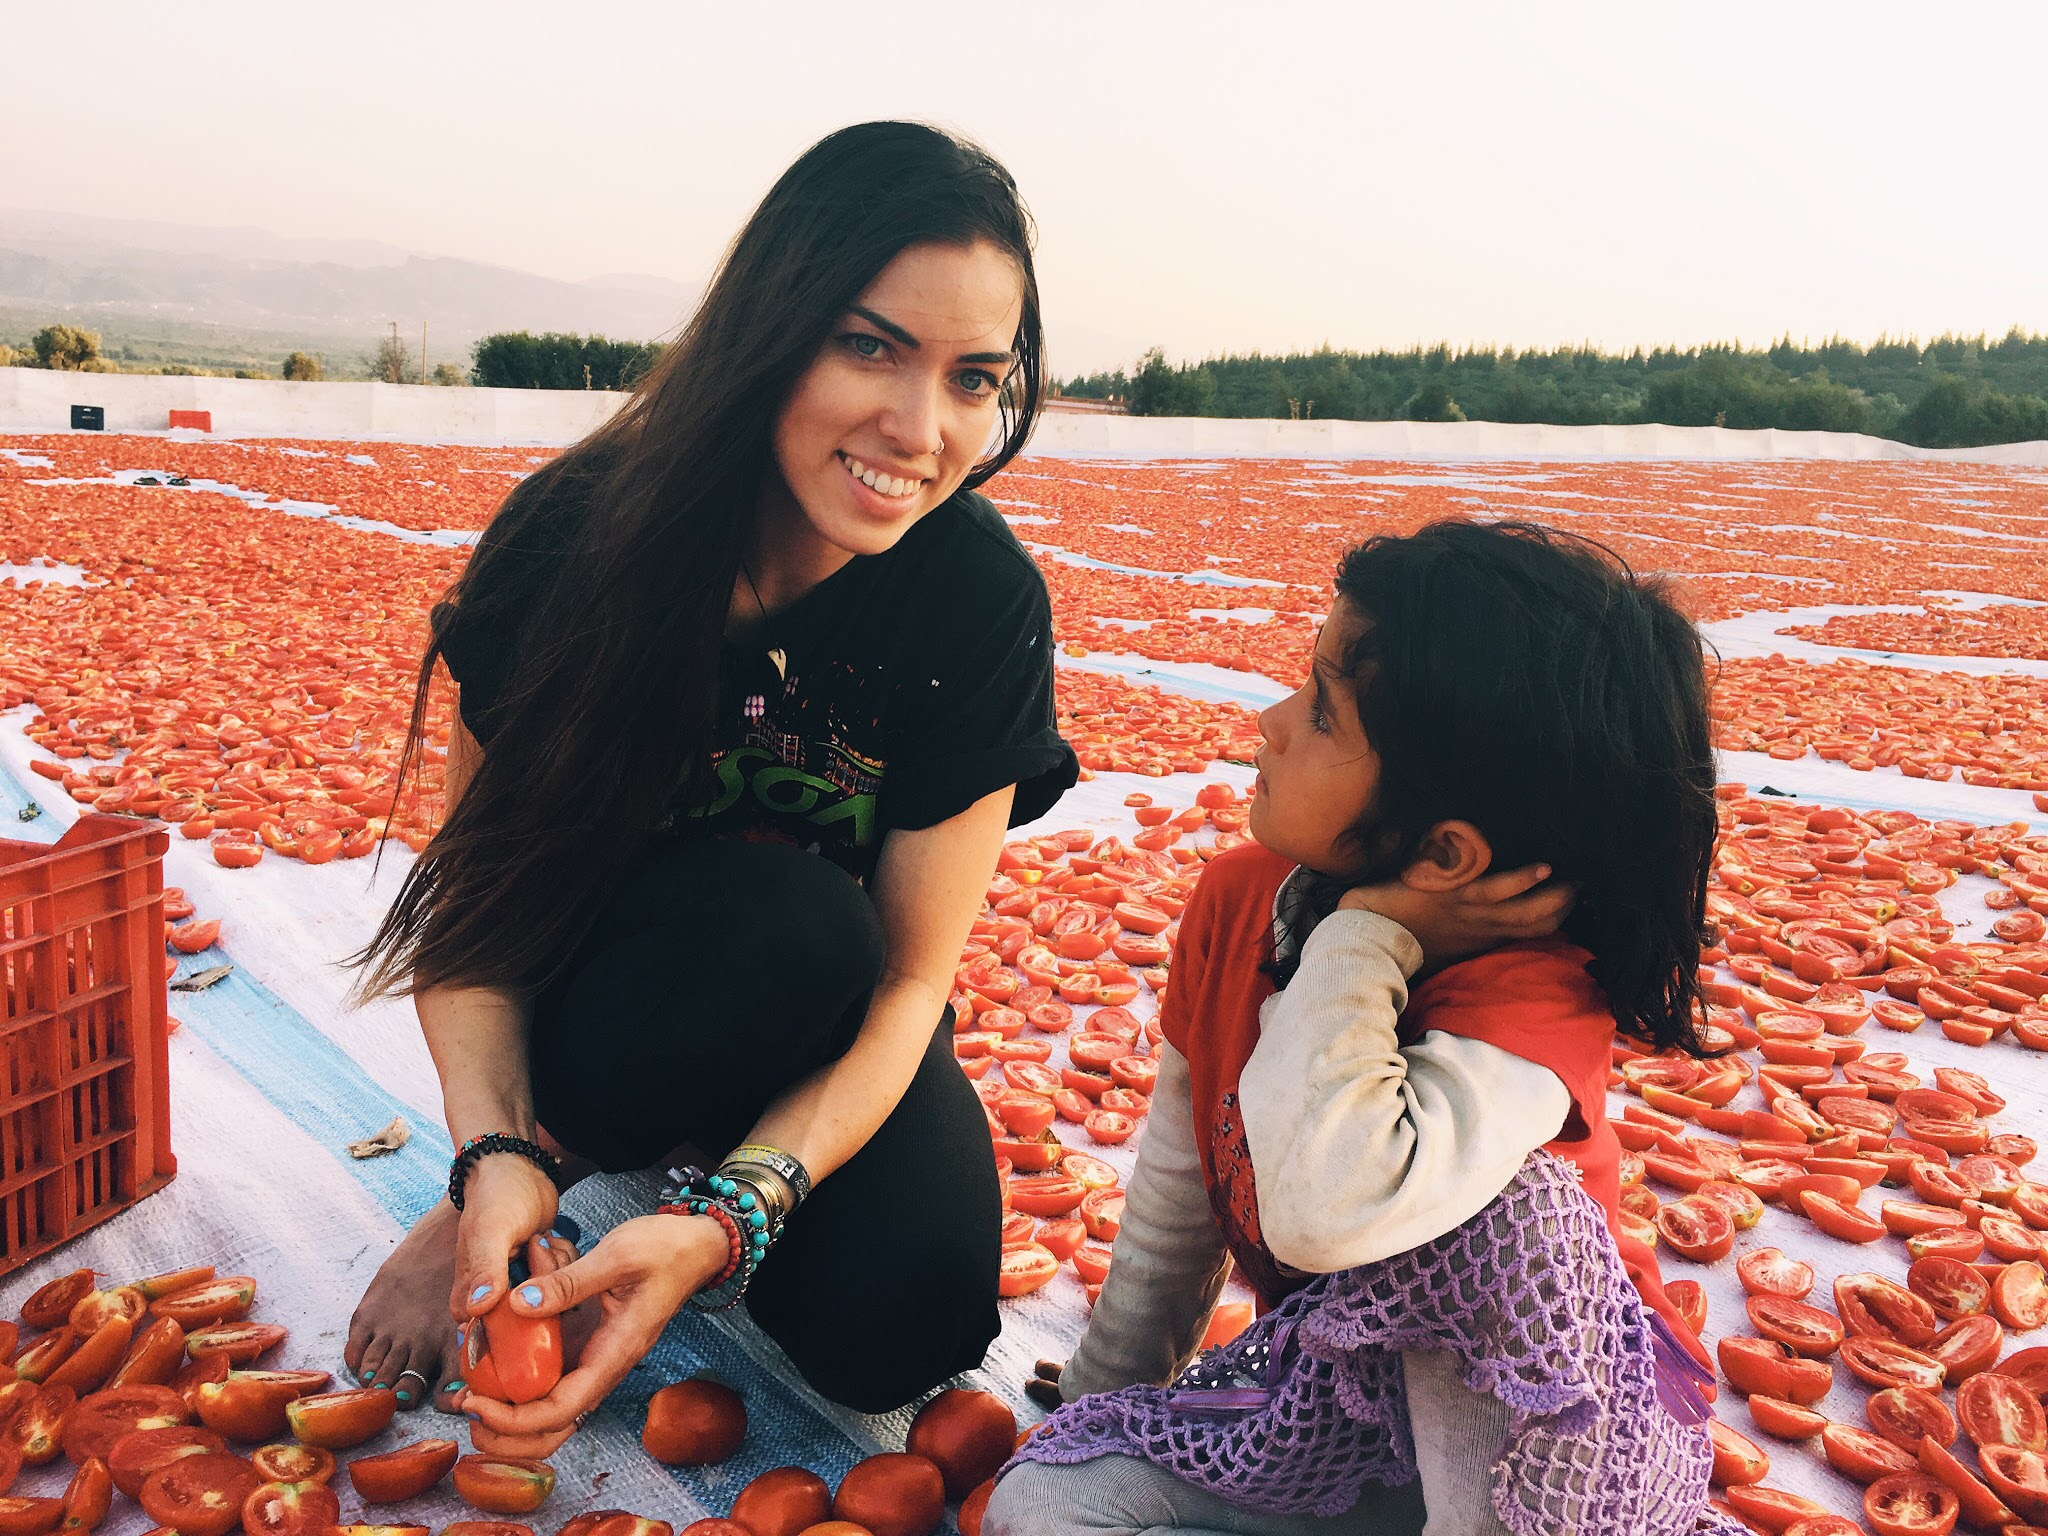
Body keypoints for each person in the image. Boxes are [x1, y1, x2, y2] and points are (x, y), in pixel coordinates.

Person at [343, 121, 1077, 1452]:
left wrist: (734, 1212)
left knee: (901, 1328)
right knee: (783, 921)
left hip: (823, 1007)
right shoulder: (580, 540)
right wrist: (488, 1151)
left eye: (973, 377)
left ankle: (690, 1157)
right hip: (619, 995)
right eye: (868, 347)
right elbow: (477, 907)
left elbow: (913, 981)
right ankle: (514, 1186)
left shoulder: (975, 602)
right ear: (770, 332)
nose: (921, 431)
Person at [987, 521, 1738, 1536]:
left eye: (1321, 713)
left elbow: (1324, 1207)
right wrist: (1105, 1391)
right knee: (1043, 1504)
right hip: (1338, 1421)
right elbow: (1180, 1182)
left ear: (1444, 854)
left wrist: (1364, 934)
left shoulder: (1532, 1002)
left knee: (1510, 1220)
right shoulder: (1241, 899)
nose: (1269, 722)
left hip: (1537, 1459)